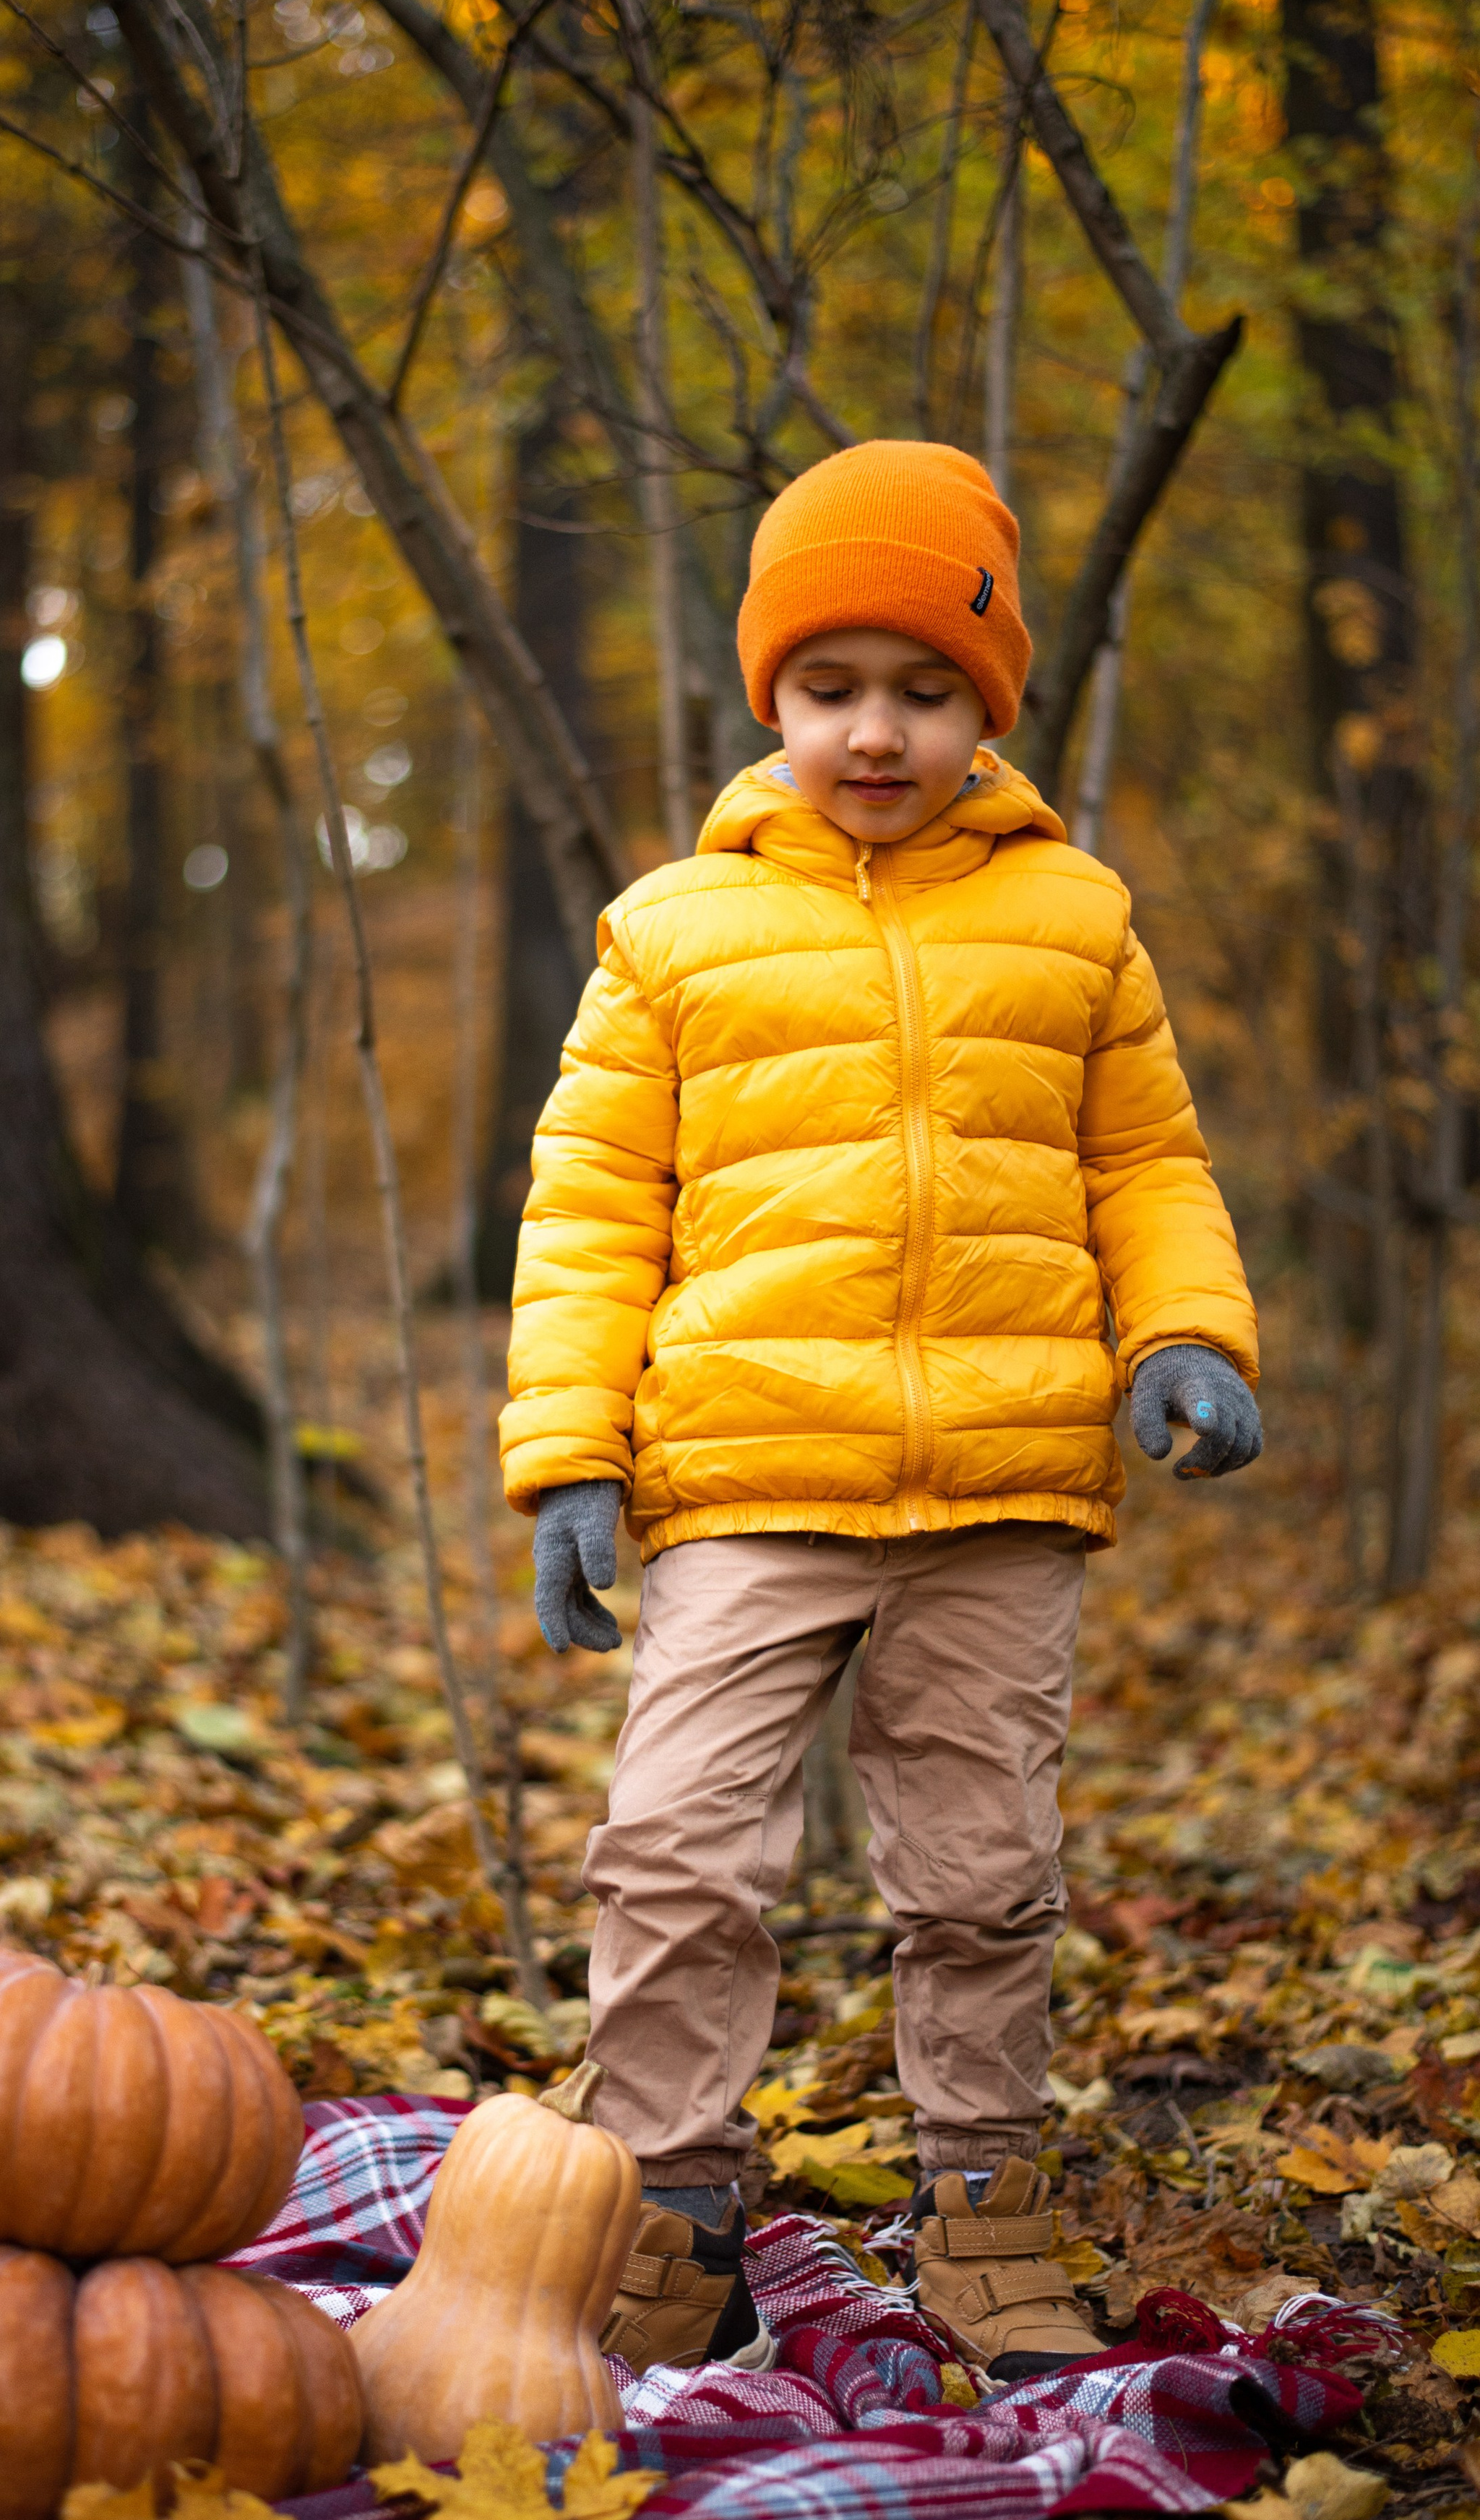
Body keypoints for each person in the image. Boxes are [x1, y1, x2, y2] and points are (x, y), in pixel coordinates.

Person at [501, 441, 1260, 2383]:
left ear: (986, 705)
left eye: (927, 690)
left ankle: (984, 2211)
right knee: (677, 1850)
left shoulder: (1074, 921)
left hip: (1002, 1486)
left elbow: (1145, 1165)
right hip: (748, 1477)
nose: (875, 732)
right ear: (771, 694)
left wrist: (1187, 1338)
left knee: (982, 1874)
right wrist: (570, 1457)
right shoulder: (672, 932)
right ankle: (671, 2213)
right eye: (832, 686)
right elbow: (591, 1211)